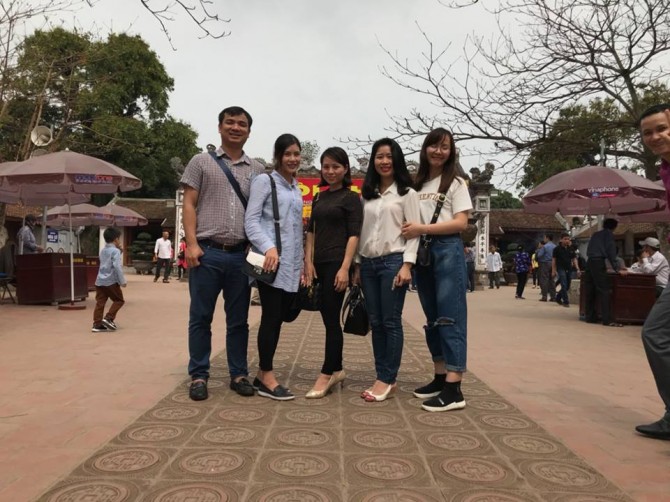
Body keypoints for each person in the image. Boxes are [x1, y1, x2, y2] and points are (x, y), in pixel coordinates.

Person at [181, 106, 265, 402]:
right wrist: (191, 244)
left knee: (239, 320)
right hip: (207, 253)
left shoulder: (257, 170)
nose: (235, 127)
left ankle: (238, 374)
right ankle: (199, 375)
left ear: (249, 132)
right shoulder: (200, 161)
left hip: (241, 256)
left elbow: (260, 212)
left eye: (242, 124)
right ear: (219, 127)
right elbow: (189, 203)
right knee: (200, 317)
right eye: (230, 122)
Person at [401, 127, 471, 412]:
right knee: (432, 319)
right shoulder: (417, 184)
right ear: (425, 148)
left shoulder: (456, 182)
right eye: (434, 145)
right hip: (424, 253)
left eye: (445, 147)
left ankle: (454, 388)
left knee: (450, 318)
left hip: (447, 250)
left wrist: (422, 229)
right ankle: (440, 376)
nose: (438, 151)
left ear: (451, 152)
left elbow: (461, 223)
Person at [353, 137, 420, 403]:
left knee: (391, 321)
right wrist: (358, 265)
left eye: (389, 156)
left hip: (393, 262)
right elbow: (361, 231)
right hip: (368, 264)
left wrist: (407, 265)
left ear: (397, 160)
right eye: (379, 157)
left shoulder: (407, 194)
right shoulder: (367, 195)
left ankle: (387, 378)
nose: (384, 161)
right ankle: (382, 375)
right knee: (376, 321)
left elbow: (413, 232)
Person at [245, 133, 304, 401]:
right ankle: (266, 376)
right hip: (271, 262)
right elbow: (251, 221)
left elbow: (295, 228)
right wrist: (268, 246)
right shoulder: (265, 181)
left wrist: (302, 263)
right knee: (271, 317)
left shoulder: (295, 187)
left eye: (296, 154)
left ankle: (263, 373)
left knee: (282, 316)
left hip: (291, 263)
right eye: (287, 153)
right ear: (278, 156)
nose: (292, 158)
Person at [303, 147, 362, 399]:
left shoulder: (351, 198)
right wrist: (308, 261)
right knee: (326, 316)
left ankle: (327, 373)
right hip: (318, 264)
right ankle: (337, 369)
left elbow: (354, 235)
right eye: (326, 166)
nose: (330, 171)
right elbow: (311, 231)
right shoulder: (319, 197)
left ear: (345, 169)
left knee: (331, 319)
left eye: (336, 166)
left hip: (337, 263)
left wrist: (345, 267)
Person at [635, 104, 670, 439]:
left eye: (661, 128)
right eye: (648, 133)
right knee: (655, 334)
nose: (655, 137)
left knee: (656, 334)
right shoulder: (664, 169)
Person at [583, 218, 627, 327]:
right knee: (605, 290)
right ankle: (607, 319)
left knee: (590, 289)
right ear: (614, 227)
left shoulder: (595, 234)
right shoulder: (609, 235)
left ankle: (590, 317)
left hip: (590, 261)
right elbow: (611, 252)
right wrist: (617, 269)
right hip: (598, 261)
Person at [92, 227, 126, 332]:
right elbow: (116, 266)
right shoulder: (115, 251)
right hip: (111, 281)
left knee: (100, 302)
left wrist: (120, 251)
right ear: (116, 239)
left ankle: (97, 324)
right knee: (119, 300)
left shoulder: (102, 251)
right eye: (119, 239)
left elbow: (107, 260)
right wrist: (122, 281)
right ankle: (108, 318)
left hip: (99, 281)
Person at [552, 233, 580, 307]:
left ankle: (558, 297)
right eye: (565, 239)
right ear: (561, 240)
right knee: (564, 284)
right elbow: (554, 260)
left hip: (569, 269)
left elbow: (574, 259)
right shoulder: (556, 249)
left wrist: (577, 269)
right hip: (560, 268)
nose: (567, 240)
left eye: (568, 239)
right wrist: (553, 271)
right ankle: (566, 301)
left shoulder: (571, 249)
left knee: (567, 286)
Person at [536, 234, 556, 301]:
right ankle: (553, 297)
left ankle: (544, 296)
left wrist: (538, 250)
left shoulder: (544, 247)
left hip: (544, 263)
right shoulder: (555, 246)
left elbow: (539, 255)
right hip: (553, 263)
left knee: (544, 280)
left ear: (547, 238)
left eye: (544, 238)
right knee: (552, 280)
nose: (544, 239)